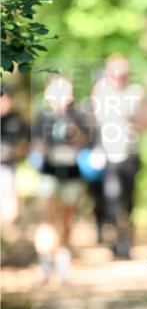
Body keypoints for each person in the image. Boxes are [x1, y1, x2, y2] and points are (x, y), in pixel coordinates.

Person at [31, 75, 90, 282]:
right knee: (47, 217)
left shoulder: (78, 116)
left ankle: (63, 261)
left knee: (66, 217)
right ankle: (45, 262)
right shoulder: (42, 116)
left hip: (72, 172)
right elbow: (36, 143)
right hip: (49, 172)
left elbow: (85, 141)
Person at [91, 55, 147, 258]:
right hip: (107, 155)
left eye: (122, 74)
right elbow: (93, 120)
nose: (118, 78)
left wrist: (128, 122)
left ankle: (125, 236)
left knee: (128, 198)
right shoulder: (100, 91)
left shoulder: (137, 93)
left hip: (130, 154)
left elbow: (146, 122)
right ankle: (116, 237)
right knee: (110, 196)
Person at [0, 86, 30, 226]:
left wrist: (18, 151)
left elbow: (28, 144)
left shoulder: (17, 120)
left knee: (10, 211)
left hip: (11, 168)